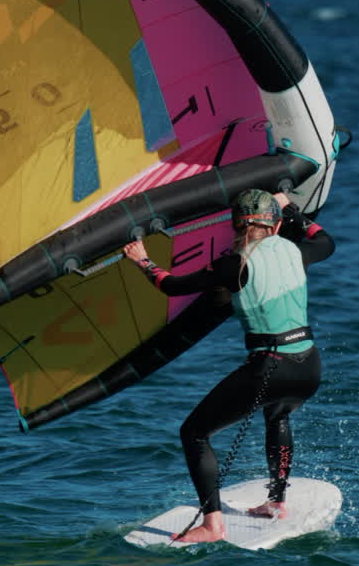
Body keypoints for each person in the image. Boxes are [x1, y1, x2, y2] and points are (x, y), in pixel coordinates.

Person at [123, 188, 335, 544]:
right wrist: (292, 208)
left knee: (194, 433)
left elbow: (171, 285)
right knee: (278, 415)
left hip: (271, 366)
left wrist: (142, 259)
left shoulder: (234, 263)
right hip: (309, 365)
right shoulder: (297, 252)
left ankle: (212, 526)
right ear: (276, 224)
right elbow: (325, 240)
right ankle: (276, 503)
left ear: (235, 226)